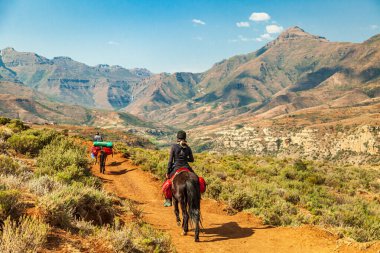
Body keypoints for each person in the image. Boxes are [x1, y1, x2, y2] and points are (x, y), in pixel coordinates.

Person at [163, 130, 194, 207]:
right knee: (195, 178)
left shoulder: (174, 147)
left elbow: (170, 161)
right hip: (186, 167)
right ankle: (197, 195)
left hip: (176, 167)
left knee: (168, 181)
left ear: (177, 138)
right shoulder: (188, 148)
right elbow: (192, 160)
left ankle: (168, 200)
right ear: (185, 138)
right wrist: (185, 159)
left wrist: (167, 171)